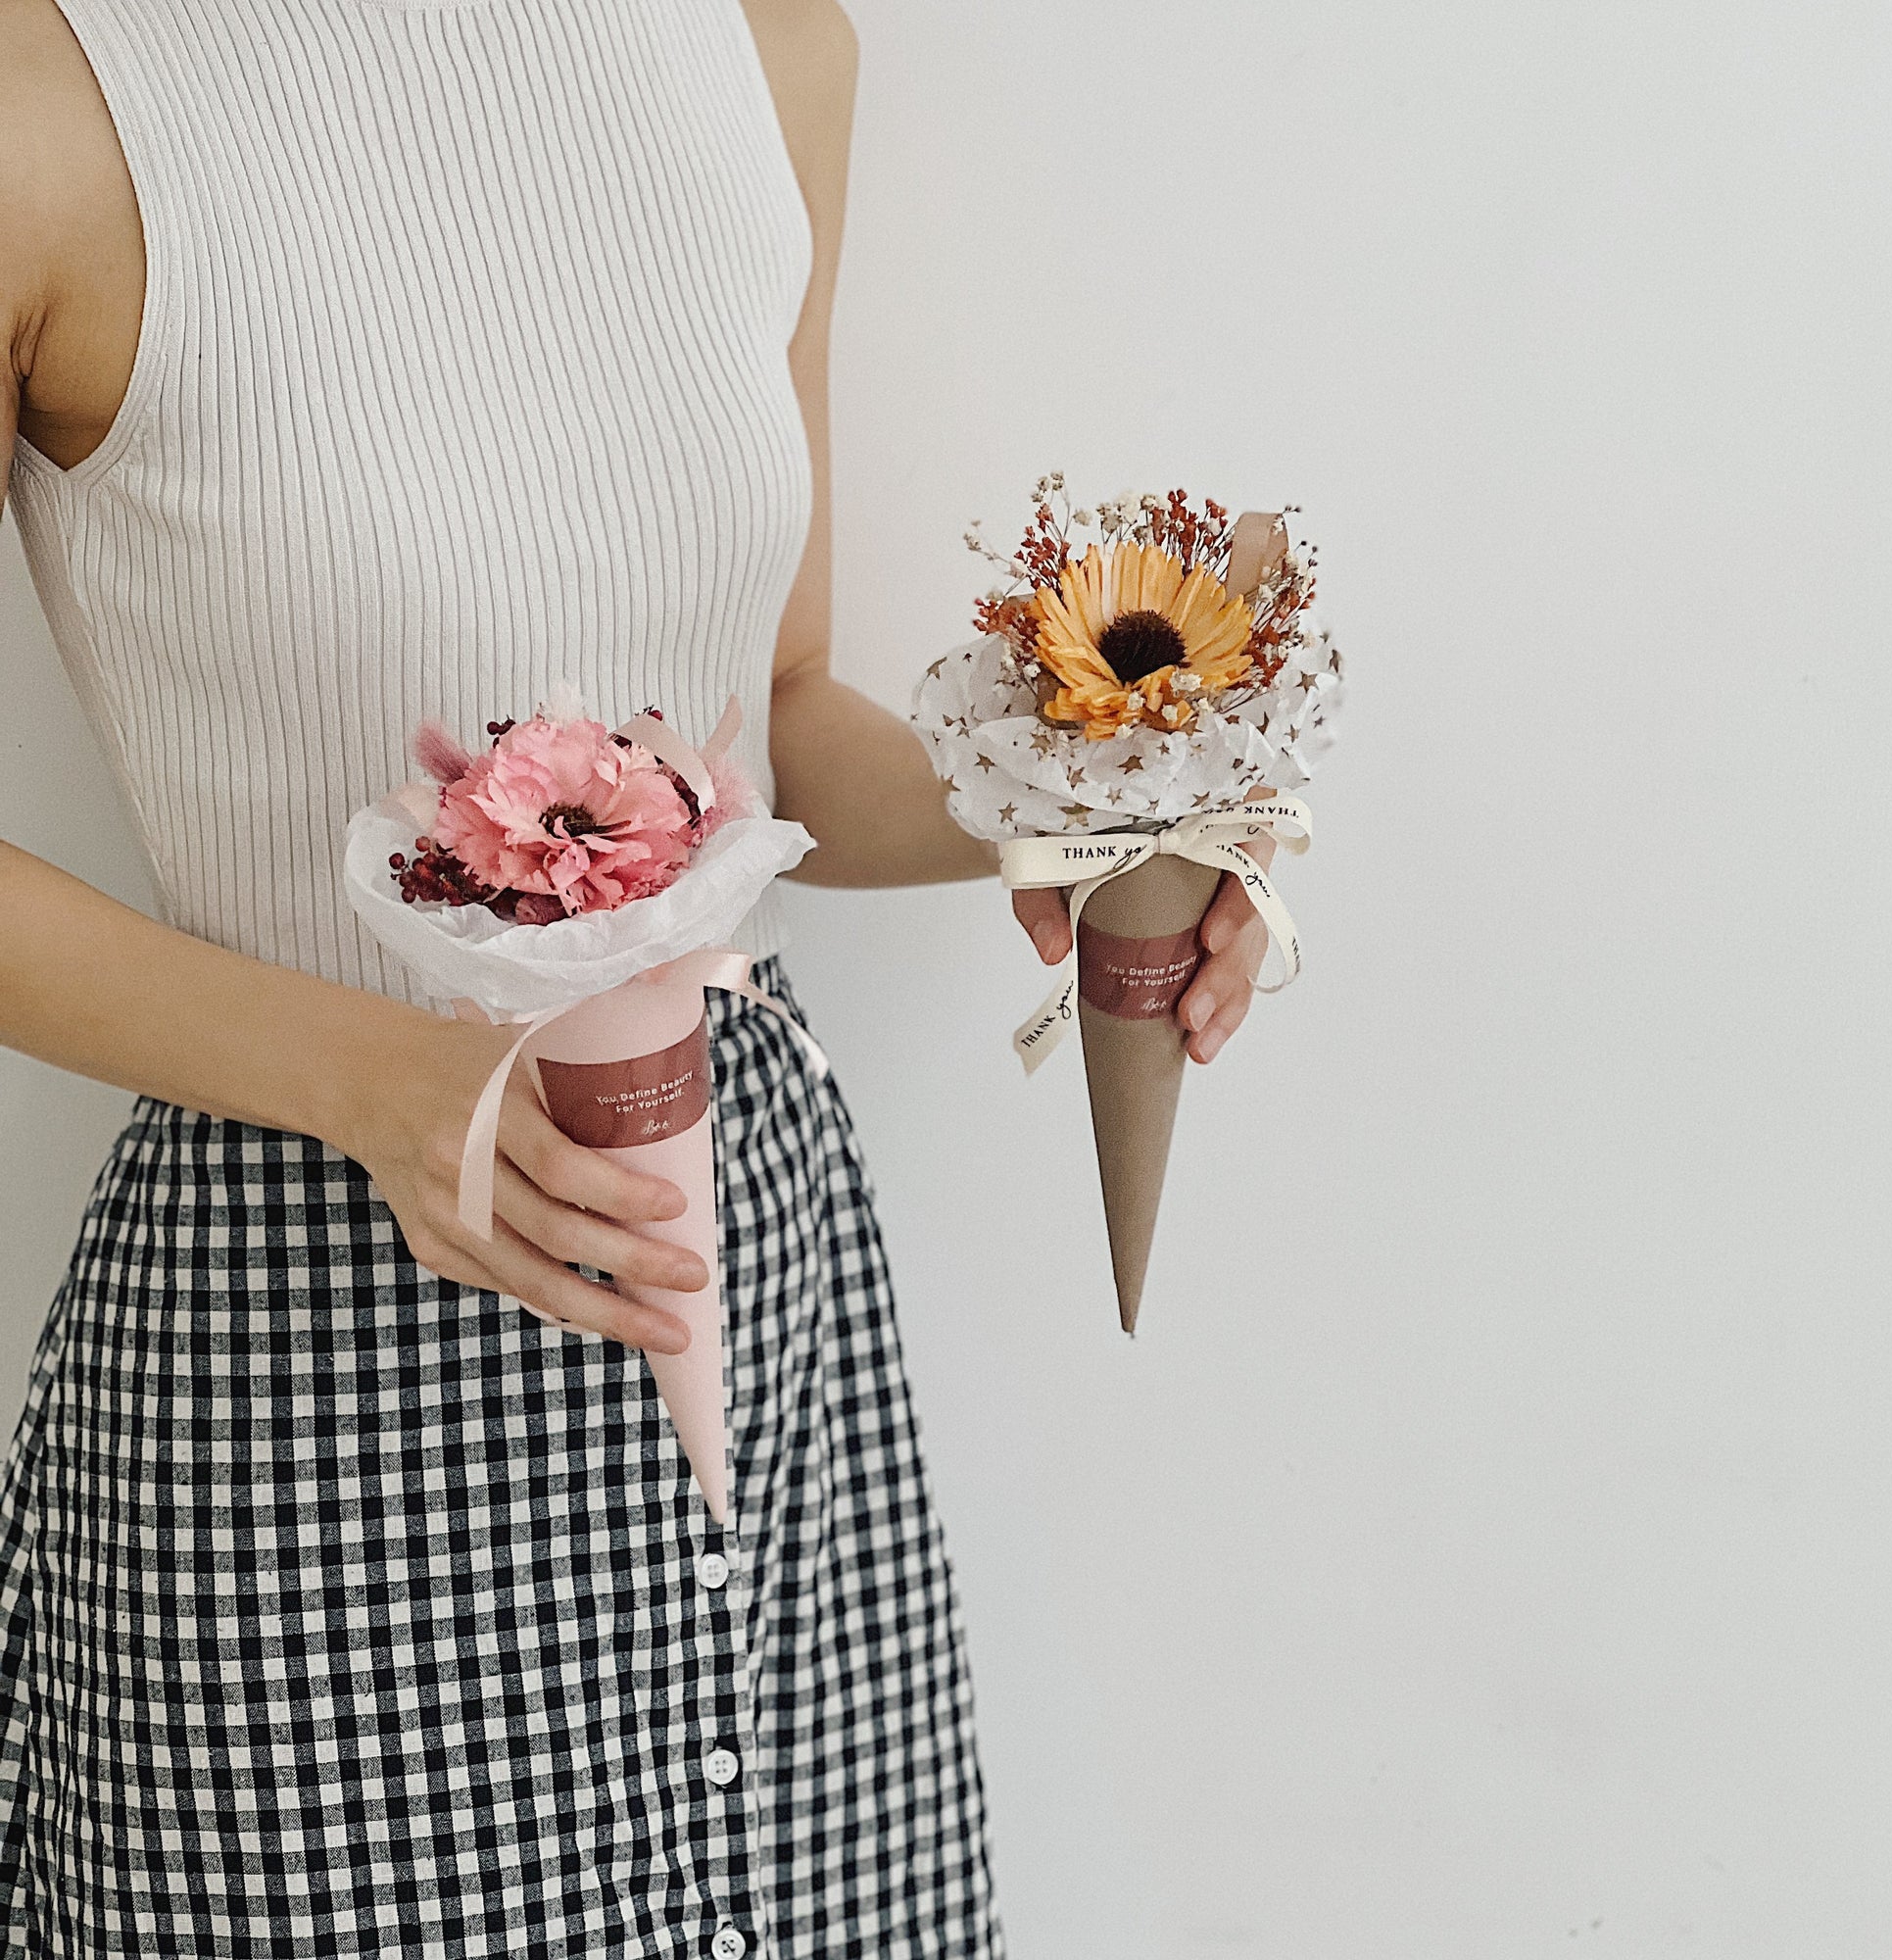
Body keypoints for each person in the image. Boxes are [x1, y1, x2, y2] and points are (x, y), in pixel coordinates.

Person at [0, 0, 1271, 1950]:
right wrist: (373, 1077)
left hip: (758, 1292)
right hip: (307, 1326)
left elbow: (772, 726)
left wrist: (1093, 792)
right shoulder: (44, 101)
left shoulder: (763, 41)